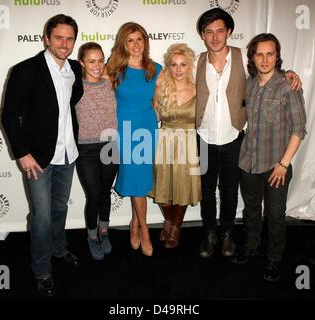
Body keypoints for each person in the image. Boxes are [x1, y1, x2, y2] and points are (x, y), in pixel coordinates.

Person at [195, 8, 302, 259]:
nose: (215, 36)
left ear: (229, 32)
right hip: (203, 138)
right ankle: (210, 233)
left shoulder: (244, 58)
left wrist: (289, 73)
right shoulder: (197, 61)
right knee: (207, 191)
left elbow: (267, 68)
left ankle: (228, 235)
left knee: (230, 192)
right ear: (202, 35)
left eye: (220, 30)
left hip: (235, 139)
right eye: (208, 32)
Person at [1, 14, 83, 296]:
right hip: (37, 159)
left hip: (68, 154)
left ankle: (59, 249)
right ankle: (42, 269)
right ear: (46, 39)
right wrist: (22, 153)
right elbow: (10, 115)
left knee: (60, 208)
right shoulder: (26, 70)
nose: (64, 43)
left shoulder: (75, 68)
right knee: (42, 217)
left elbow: (71, 101)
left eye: (69, 38)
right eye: (58, 37)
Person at [231, 33, 306, 282]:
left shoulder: (288, 85)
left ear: (277, 55)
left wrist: (284, 164)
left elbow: (298, 129)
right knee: (251, 210)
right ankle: (251, 246)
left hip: (277, 165)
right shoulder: (250, 83)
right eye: (259, 54)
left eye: (270, 53)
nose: (264, 59)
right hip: (248, 161)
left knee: (275, 215)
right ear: (252, 57)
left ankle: (274, 259)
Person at [106, 22, 163, 256]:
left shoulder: (156, 69)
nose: (136, 44)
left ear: (145, 42)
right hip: (124, 131)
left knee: (138, 181)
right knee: (137, 182)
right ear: (123, 43)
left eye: (139, 39)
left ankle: (134, 223)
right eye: (130, 40)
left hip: (147, 129)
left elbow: (159, 103)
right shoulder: (113, 69)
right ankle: (144, 230)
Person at [150, 43, 201, 249]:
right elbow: (155, 115)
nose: (178, 69)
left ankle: (176, 227)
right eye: (174, 65)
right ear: (168, 66)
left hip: (188, 143)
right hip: (164, 140)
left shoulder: (199, 89)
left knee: (182, 188)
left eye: (183, 65)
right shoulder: (161, 87)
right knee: (161, 187)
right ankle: (169, 221)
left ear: (190, 66)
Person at [75, 42, 118, 261]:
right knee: (93, 196)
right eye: (91, 61)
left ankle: (104, 230)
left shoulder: (111, 83)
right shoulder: (74, 86)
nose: (97, 65)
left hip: (110, 145)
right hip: (85, 149)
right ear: (81, 62)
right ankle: (92, 236)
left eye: (101, 60)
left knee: (104, 193)